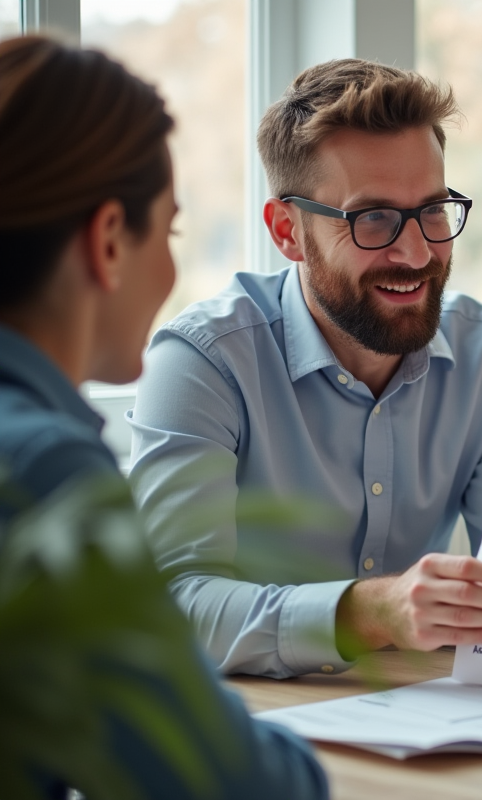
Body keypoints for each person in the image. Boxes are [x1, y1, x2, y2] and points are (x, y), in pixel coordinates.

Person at [128, 59, 482, 679]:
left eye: (433, 211)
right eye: (373, 219)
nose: (416, 253)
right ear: (287, 231)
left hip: (415, 716)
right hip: (243, 723)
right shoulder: (203, 361)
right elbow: (171, 608)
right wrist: (369, 613)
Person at [0, 35, 327, 799]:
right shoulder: (42, 474)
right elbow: (230, 782)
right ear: (110, 240)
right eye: (170, 230)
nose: (173, 271)